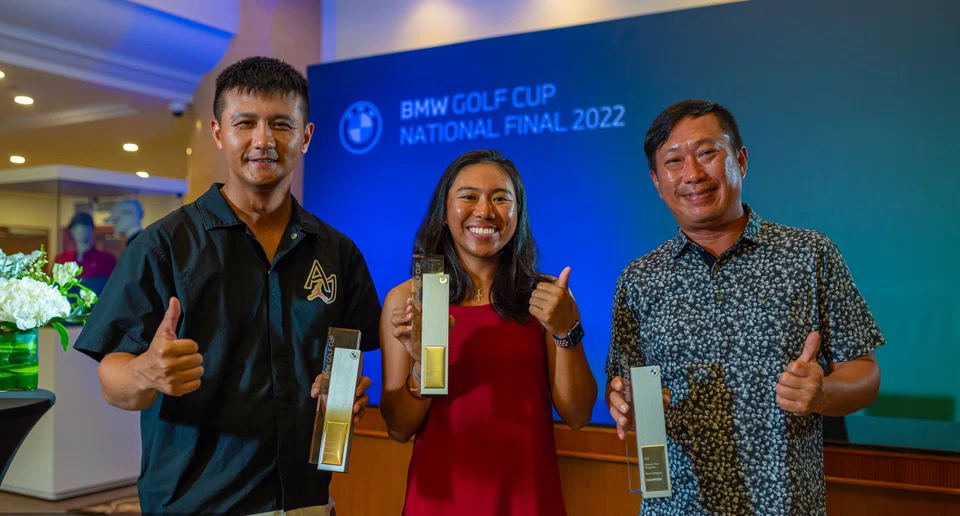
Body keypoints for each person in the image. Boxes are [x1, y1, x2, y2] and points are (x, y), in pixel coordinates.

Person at [74, 56, 381, 515]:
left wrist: (344, 389)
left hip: (306, 502)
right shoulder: (163, 247)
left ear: (306, 136)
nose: (264, 140)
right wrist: (146, 372)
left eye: (281, 124)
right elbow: (113, 381)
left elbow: (350, 359)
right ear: (219, 133)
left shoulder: (338, 252)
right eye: (246, 123)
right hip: (195, 504)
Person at [606, 99, 884, 515]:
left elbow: (866, 374)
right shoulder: (638, 279)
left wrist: (823, 393)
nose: (692, 174)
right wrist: (624, 403)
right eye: (674, 161)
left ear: (740, 160)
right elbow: (624, 386)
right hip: (676, 507)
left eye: (707, 152)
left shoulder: (809, 255)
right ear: (657, 182)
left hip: (785, 506)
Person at [380, 150, 598, 515]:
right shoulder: (407, 300)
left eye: (500, 198)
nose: (484, 211)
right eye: (468, 196)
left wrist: (566, 330)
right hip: (439, 503)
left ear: (518, 214)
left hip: (529, 501)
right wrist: (421, 365)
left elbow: (577, 415)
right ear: (444, 213)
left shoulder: (548, 297)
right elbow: (399, 429)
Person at [55, 211, 117, 294]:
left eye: (84, 227)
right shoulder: (62, 258)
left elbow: (113, 289)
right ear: (71, 231)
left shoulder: (107, 259)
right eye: (76, 228)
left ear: (92, 229)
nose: (80, 231)